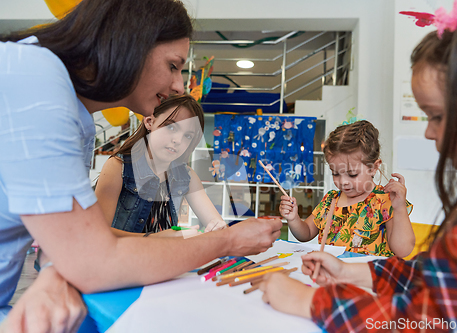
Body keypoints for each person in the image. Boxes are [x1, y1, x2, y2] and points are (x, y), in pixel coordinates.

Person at [0, 0, 282, 331]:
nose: (179, 86)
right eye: (174, 65)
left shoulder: (77, 118)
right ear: (130, 42)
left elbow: (67, 243)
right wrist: (227, 241)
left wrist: (61, 270)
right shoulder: (40, 88)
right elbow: (95, 259)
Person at [259, 1, 457, 330]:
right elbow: (434, 274)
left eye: (438, 116)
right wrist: (348, 271)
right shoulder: (330, 201)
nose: (429, 132)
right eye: (336, 173)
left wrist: (309, 301)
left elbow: (431, 320)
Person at [95, 94, 227, 236]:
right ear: (149, 122)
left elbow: (216, 224)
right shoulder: (119, 166)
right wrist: (158, 239)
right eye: (170, 127)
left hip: (165, 257)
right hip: (123, 257)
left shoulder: (186, 176)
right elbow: (98, 233)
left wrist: (218, 227)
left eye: (188, 136)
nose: (178, 140)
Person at [279, 120, 415, 258]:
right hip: (330, 276)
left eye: (352, 174)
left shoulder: (385, 201)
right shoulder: (330, 200)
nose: (343, 182)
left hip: (368, 278)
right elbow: (306, 233)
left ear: (373, 168)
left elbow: (403, 251)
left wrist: (399, 208)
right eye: (335, 173)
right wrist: (293, 218)